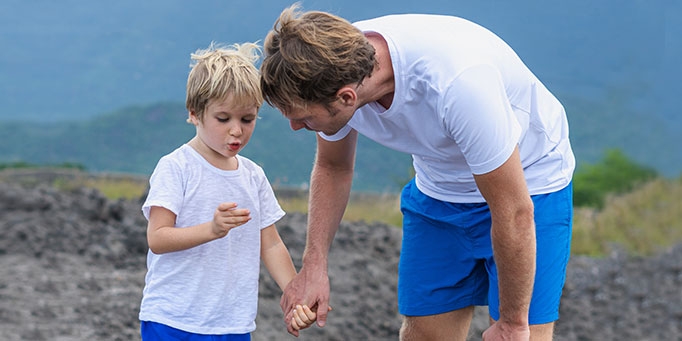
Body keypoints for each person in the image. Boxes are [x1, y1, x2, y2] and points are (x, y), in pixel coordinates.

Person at [260, 4, 575, 340]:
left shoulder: (457, 85)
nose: (295, 127)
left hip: (530, 187)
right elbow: (333, 166)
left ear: (346, 98)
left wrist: (512, 324)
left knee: (524, 335)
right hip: (439, 188)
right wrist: (314, 266)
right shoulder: (328, 63)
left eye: (304, 119)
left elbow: (513, 210)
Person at [139, 42, 318, 340]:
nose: (237, 130)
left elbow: (271, 245)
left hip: (233, 324)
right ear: (195, 114)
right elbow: (157, 238)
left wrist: (295, 293)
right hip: (173, 320)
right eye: (223, 119)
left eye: (247, 119)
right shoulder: (176, 167)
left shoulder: (253, 176)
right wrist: (211, 229)